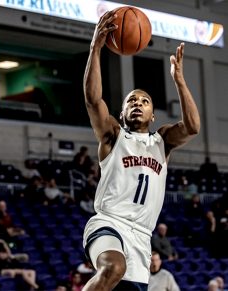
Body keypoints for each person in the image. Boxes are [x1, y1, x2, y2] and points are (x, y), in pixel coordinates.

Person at [82, 10, 200, 290]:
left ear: (153, 115)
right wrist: (95, 49)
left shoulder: (162, 141)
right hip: (109, 222)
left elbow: (193, 127)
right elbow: (92, 98)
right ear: (121, 113)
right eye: (131, 101)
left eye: (144, 101)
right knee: (113, 267)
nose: (137, 103)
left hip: (142, 237)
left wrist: (180, 81)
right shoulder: (113, 135)